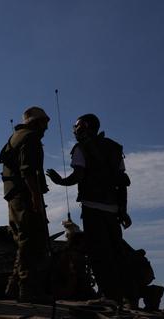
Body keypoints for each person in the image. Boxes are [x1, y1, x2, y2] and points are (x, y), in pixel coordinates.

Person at [46, 114, 131, 303]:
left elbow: (78, 176)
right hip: (113, 209)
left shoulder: (81, 148)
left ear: (84, 126)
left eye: (75, 126)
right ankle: (122, 295)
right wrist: (123, 210)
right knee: (116, 253)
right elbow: (122, 182)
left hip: (93, 207)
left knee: (99, 254)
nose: (74, 130)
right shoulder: (115, 148)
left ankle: (107, 297)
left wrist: (60, 181)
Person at [0, 106, 52, 303]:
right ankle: (28, 289)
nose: (46, 127)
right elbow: (28, 170)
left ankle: (14, 286)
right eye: (45, 122)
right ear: (36, 122)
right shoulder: (30, 138)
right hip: (25, 194)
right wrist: (36, 197)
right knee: (32, 239)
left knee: (23, 239)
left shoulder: (16, 136)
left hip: (14, 194)